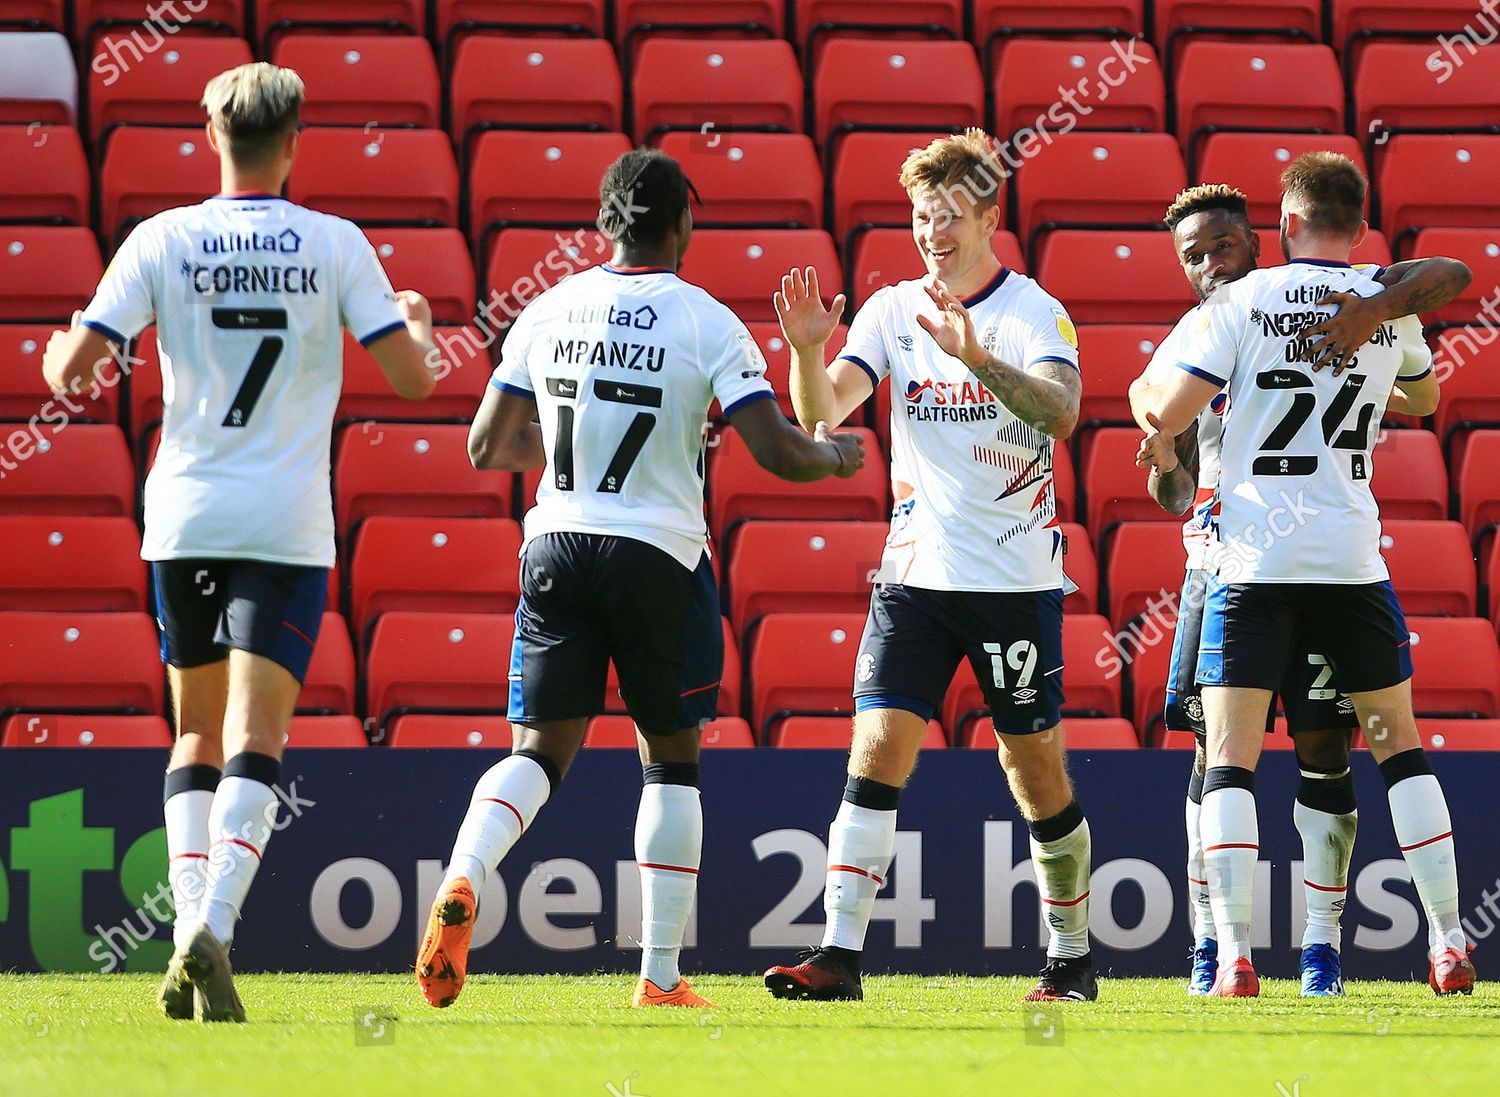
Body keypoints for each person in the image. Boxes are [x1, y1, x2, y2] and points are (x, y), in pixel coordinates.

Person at [415, 148, 865, 1011]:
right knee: (671, 761)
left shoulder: (549, 308)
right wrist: (834, 458)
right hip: (658, 554)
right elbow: (776, 448)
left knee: (538, 753)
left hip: (556, 542)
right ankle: (658, 977)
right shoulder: (706, 321)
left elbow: (487, 447)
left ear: (605, 223)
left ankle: (466, 873)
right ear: (684, 224)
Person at [41, 63, 440, 1021]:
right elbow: (416, 381)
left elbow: (68, 375)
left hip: (184, 515)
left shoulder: (161, 238)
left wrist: (67, 343)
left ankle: (186, 931)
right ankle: (213, 920)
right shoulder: (334, 244)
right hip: (284, 522)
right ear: (293, 141)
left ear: (210, 137)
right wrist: (420, 328)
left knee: (193, 732)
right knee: (257, 739)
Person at [761, 129, 1096, 1003]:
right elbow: (821, 414)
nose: (932, 232)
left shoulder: (1034, 313)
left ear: (990, 215)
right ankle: (837, 956)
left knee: (1033, 769)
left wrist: (977, 358)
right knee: (876, 746)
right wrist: (803, 350)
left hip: (1014, 583)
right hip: (913, 575)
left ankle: (1070, 957)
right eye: (920, 216)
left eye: (949, 215)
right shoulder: (887, 310)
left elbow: (1061, 414)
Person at [1140, 152, 1474, 997]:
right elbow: (1430, 394)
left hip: (1253, 566)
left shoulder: (1239, 308)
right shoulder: (1376, 298)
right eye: (1196, 252)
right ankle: (1446, 940)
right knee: (1401, 749)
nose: (1212, 262)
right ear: (1361, 225)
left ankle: (1245, 957)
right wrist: (1379, 316)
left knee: (1233, 763)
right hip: (1346, 560)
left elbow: (1163, 411)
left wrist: (1154, 407)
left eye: (1225, 243)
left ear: (1274, 230)